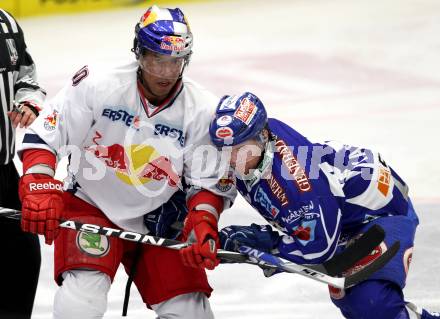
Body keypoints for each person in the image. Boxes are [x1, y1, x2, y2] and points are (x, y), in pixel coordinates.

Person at [18, 5, 235, 319]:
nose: (164, 73)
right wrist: (38, 185)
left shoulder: (203, 109)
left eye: (174, 62)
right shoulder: (98, 83)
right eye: (155, 60)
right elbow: (48, 134)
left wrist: (203, 222)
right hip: (92, 205)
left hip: (161, 217)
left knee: (191, 313)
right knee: (81, 306)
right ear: (139, 52)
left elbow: (208, 182)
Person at [208, 92, 439, 319]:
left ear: (262, 135)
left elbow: (319, 248)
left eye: (241, 149)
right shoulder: (259, 144)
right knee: (352, 301)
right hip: (341, 213)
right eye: (226, 150)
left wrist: (265, 244)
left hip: (381, 214)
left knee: (371, 303)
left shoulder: (298, 185)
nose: (233, 159)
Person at [0, 9, 46, 319]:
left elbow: (27, 77)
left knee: (23, 257)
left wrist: (27, 100)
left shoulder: (6, 23)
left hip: (3, 170)